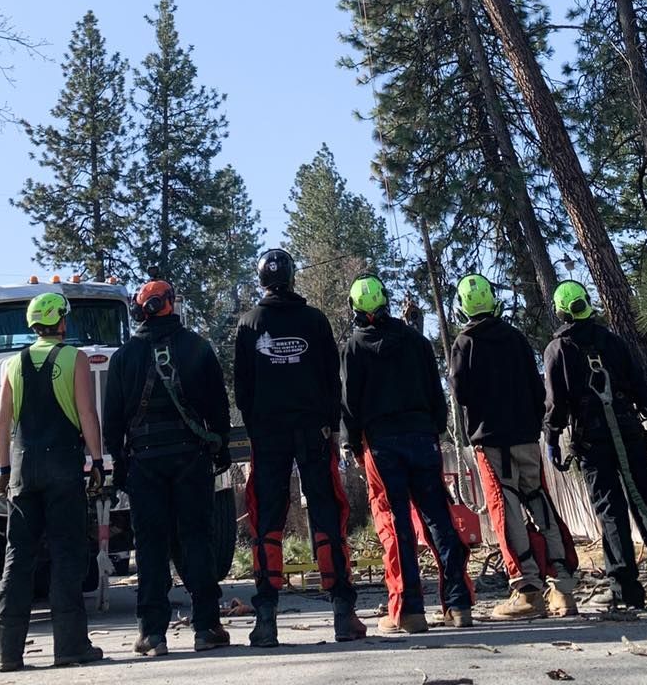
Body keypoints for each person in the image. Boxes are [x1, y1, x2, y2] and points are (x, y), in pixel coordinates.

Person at [234, 247, 365, 648]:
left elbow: (243, 386)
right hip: (313, 431)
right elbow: (332, 379)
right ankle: (343, 610)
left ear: (262, 280)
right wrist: (329, 424)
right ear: (292, 278)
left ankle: (266, 616)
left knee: (267, 518)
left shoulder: (250, 323)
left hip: (270, 434)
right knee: (327, 512)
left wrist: (257, 424)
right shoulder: (314, 320)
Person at [103, 277, 232, 657]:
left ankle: (152, 633)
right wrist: (220, 448)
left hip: (145, 464)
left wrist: (122, 464)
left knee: (152, 547)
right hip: (191, 460)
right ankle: (207, 627)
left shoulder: (124, 357)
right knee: (196, 540)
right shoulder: (197, 348)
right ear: (171, 304)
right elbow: (218, 408)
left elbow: (112, 423)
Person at [543, 280, 647, 609]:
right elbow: (641, 385)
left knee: (612, 513)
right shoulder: (612, 342)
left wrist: (552, 437)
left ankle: (625, 590)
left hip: (593, 443)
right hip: (629, 434)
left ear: (561, 311)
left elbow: (557, 404)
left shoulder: (558, 351)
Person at [341, 274, 475, 634]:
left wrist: (353, 445)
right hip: (422, 438)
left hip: (382, 445)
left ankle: (408, 610)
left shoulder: (354, 348)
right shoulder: (415, 341)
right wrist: (434, 428)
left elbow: (350, 405)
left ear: (354, 309)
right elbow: (436, 390)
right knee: (439, 520)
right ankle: (459, 604)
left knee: (395, 525)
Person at [449, 274, 578, 621]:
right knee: (539, 501)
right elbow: (538, 389)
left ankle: (527, 589)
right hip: (525, 438)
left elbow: (460, 394)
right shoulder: (516, 338)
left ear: (463, 307)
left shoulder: (464, 343)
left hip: (491, 441)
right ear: (492, 300)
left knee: (505, 510)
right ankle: (563, 587)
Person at [0, 291, 105, 673]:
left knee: (17, 557)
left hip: (23, 469)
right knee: (67, 555)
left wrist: (5, 470)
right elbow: (87, 413)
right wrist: (97, 460)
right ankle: (70, 646)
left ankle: (9, 652)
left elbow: (2, 423)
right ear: (61, 321)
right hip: (62, 467)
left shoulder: (12, 364)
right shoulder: (76, 358)